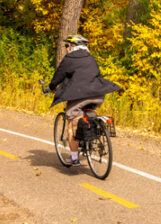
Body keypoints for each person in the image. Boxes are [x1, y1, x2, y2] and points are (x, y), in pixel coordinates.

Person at [43, 34, 121, 166]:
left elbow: (58, 76)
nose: (66, 48)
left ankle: (74, 158)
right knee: (85, 116)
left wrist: (50, 88)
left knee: (72, 125)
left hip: (79, 96)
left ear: (73, 46)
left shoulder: (70, 58)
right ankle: (90, 137)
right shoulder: (91, 58)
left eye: (67, 45)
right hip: (98, 95)